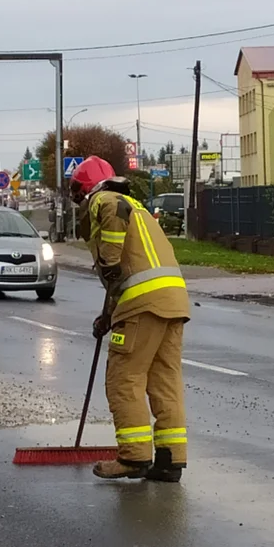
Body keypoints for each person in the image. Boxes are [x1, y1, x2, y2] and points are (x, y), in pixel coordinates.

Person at [69, 156, 191, 483]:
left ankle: (134, 456)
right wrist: (107, 316)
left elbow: (115, 258)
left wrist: (107, 260)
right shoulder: (136, 205)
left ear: (84, 190)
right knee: (164, 381)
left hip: (142, 305)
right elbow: (129, 273)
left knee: (124, 378)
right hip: (173, 301)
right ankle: (170, 459)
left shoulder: (106, 200)